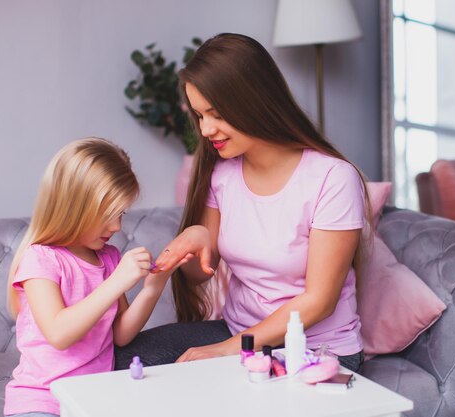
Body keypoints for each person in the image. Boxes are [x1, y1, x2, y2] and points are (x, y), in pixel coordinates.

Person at [115, 33, 371, 373]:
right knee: (118, 361)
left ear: (254, 101)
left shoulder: (333, 178)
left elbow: (319, 302)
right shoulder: (223, 176)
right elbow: (197, 276)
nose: (205, 130)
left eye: (215, 114)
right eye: (199, 116)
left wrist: (226, 351)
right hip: (237, 334)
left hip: (315, 349)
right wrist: (195, 239)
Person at [4, 138, 189, 417]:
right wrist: (117, 282)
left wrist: (153, 287)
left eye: (121, 214)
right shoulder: (41, 259)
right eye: (107, 215)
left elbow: (121, 335)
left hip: (95, 396)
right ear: (73, 207)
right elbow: (58, 334)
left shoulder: (109, 257)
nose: (116, 226)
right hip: (43, 401)